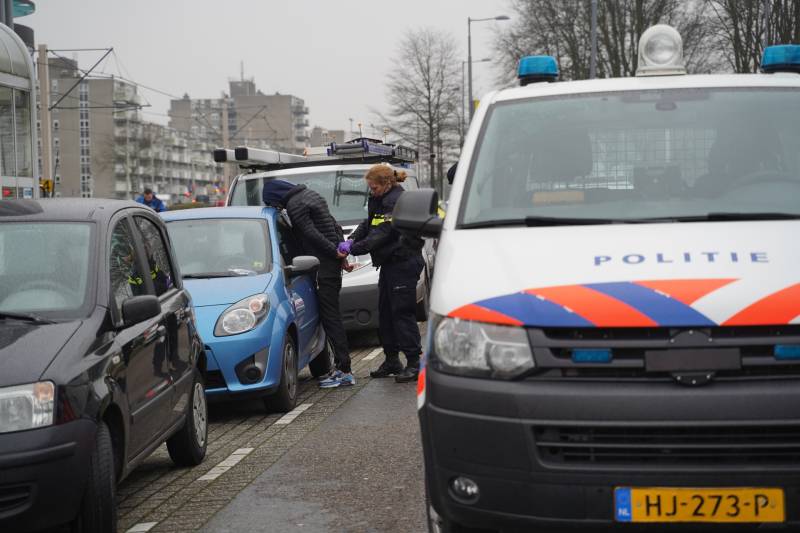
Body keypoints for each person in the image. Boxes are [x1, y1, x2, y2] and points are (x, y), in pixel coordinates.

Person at [262, 178, 354, 388]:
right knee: (332, 316)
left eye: (274, 204)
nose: (278, 208)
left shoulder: (295, 206)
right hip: (331, 264)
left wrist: (333, 253)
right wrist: (341, 256)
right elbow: (334, 226)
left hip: (322, 267)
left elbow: (310, 234)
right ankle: (342, 367)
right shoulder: (312, 195)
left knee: (331, 318)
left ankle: (345, 370)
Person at [338, 164, 425, 383]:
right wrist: (351, 239)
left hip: (403, 262)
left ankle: (414, 363)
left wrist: (355, 249)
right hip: (389, 264)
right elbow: (369, 224)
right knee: (385, 313)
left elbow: (384, 233)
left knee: (402, 313)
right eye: (370, 188)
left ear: (386, 184)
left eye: (374, 187)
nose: (372, 191)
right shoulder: (380, 199)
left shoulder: (396, 201)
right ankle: (392, 359)